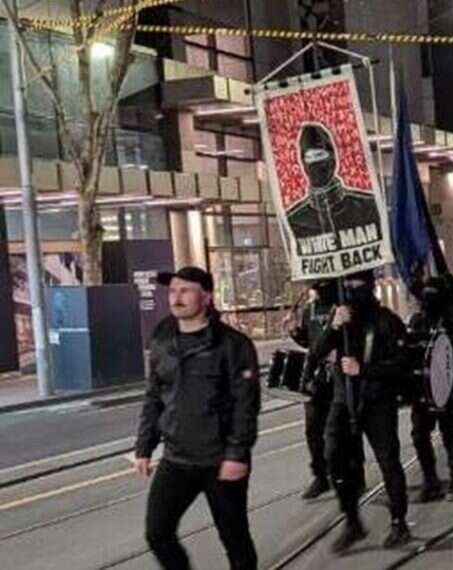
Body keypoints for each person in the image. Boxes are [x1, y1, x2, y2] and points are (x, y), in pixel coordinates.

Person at [135, 267, 260, 570]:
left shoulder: (233, 344)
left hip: (220, 461)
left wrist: (237, 454)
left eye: (185, 290)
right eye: (173, 291)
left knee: (234, 537)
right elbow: (154, 396)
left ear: (206, 297)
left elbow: (246, 405)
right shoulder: (163, 339)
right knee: (158, 533)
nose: (176, 297)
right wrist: (144, 446)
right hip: (177, 458)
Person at [309, 271, 411, 552]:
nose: (353, 289)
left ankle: (399, 522)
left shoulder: (388, 321)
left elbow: (402, 365)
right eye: (348, 284)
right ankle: (352, 520)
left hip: (377, 402)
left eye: (358, 284)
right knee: (334, 458)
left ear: (371, 287)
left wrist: (364, 370)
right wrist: (333, 326)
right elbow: (316, 351)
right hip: (344, 401)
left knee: (388, 461)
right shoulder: (341, 319)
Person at [286, 280, 363, 500]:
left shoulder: (342, 305)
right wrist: (295, 332)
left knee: (346, 428)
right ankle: (320, 476)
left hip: (339, 375)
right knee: (313, 429)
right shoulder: (309, 309)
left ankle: (355, 473)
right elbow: (310, 342)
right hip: (317, 376)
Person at [408, 277, 453, 502]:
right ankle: (430, 479)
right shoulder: (417, 321)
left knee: (451, 434)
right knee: (419, 434)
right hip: (422, 389)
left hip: (448, 388)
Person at [286, 124, 383, 243]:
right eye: (309, 157)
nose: (314, 162)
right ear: (303, 162)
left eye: (319, 155)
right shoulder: (294, 218)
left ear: (332, 158)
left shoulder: (368, 206)